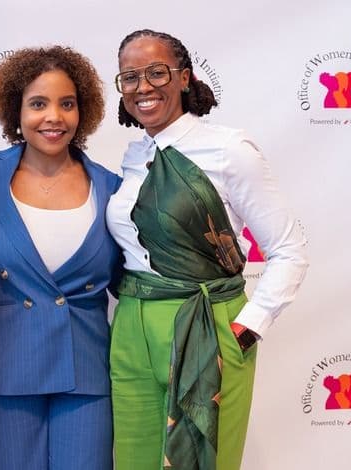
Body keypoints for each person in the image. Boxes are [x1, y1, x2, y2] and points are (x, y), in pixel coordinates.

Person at [106, 30, 309, 470]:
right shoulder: (134, 155)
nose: (143, 87)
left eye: (156, 72)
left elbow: (289, 249)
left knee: (202, 462)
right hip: (131, 326)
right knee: (133, 460)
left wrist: (248, 327)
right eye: (129, 77)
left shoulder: (228, 149)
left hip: (206, 322)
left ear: (184, 78)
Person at [0, 46, 121, 470]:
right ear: (15, 111)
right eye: (38, 104)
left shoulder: (112, 187)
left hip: (86, 372)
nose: (54, 117)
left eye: (67, 104)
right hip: (6, 368)